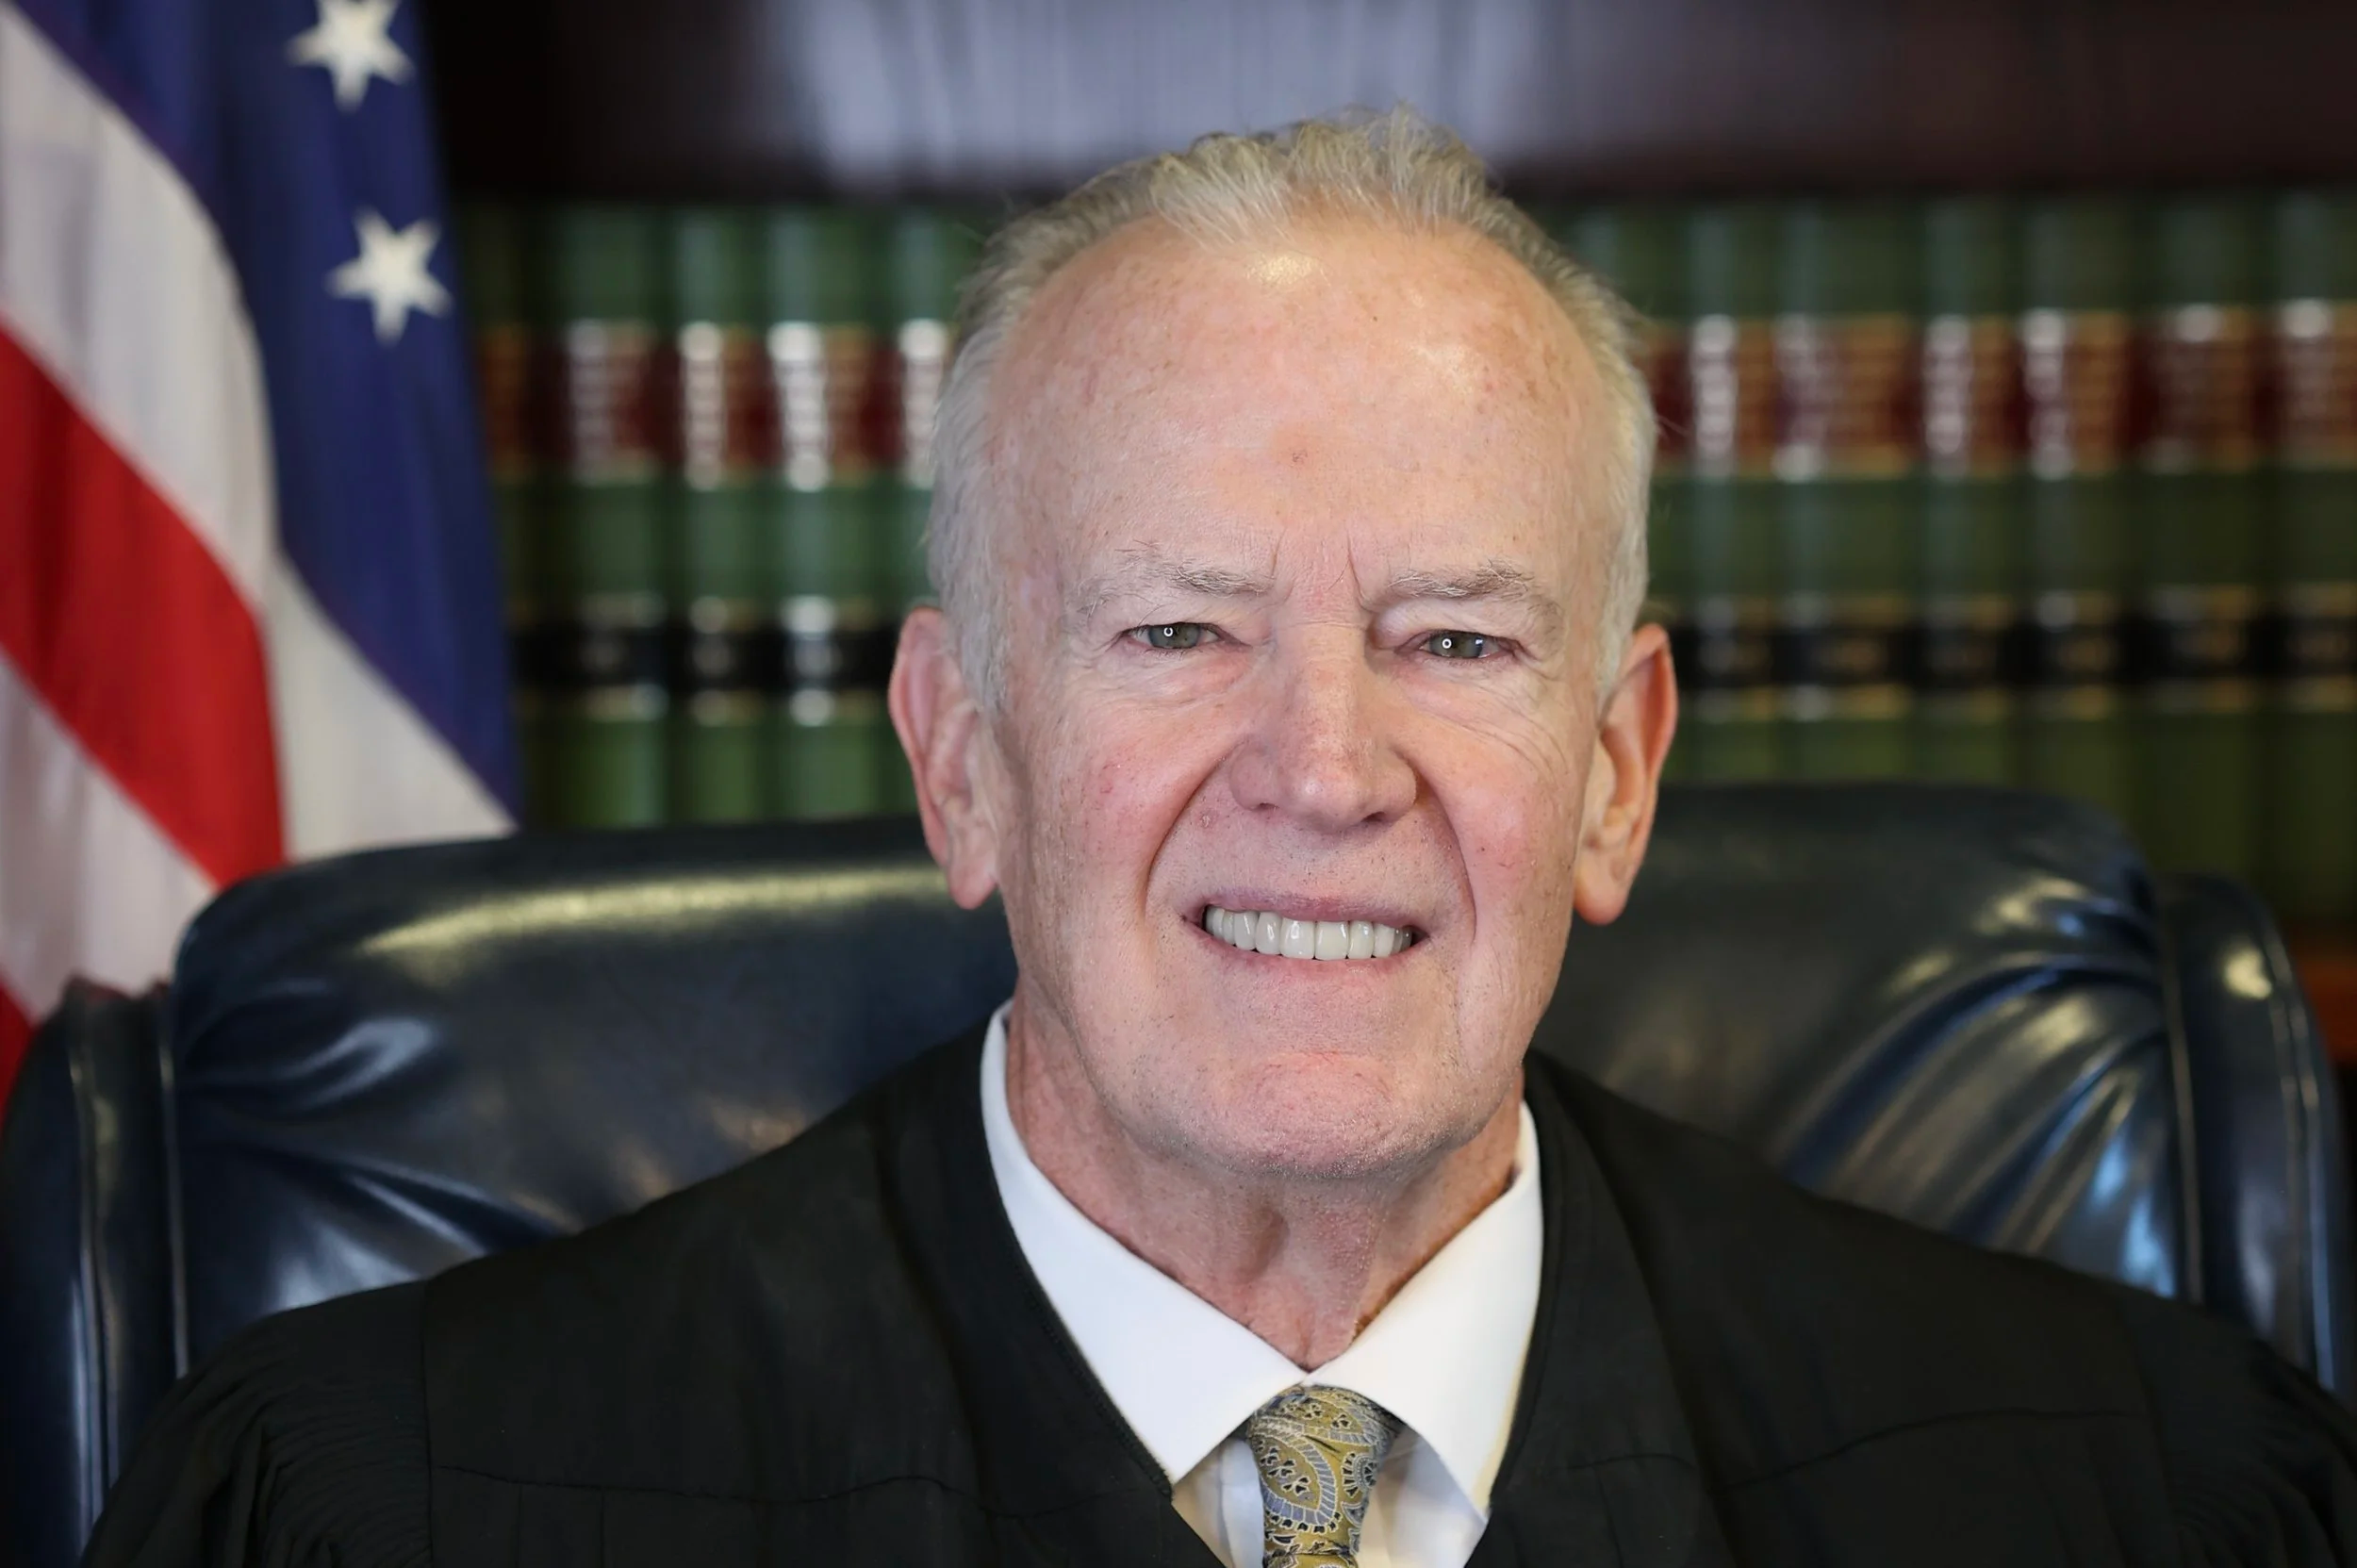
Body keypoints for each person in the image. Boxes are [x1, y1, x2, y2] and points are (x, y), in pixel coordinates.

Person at [88, 110, 2357, 1568]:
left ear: (1613, 773)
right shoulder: (388, 1507)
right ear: (958, 754)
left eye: (1455, 642)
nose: (1323, 764)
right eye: (1175, 628)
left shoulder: (2121, 1492)